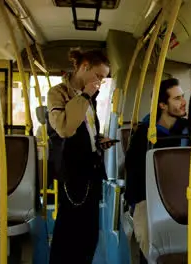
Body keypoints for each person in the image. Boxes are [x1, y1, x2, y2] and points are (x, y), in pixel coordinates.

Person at [47, 48, 115, 264]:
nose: (100, 82)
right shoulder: (58, 93)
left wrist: (99, 139)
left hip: (91, 169)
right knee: (69, 232)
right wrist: (85, 95)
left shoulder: (90, 97)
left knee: (89, 233)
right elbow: (65, 128)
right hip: (72, 171)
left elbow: (87, 128)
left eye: (103, 78)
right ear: (84, 67)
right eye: (98, 76)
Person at [124, 78, 188, 259]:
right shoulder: (144, 135)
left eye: (182, 96)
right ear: (162, 105)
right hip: (148, 197)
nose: (183, 102)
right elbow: (135, 177)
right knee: (151, 245)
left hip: (181, 195)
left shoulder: (187, 129)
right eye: (177, 99)